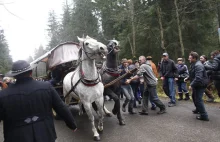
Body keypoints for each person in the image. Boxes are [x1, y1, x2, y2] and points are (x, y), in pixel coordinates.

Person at [0, 60, 77, 142]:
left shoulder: (3, 95)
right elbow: (61, 107)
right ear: (31, 72)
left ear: (14, 76)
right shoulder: (46, 87)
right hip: (45, 135)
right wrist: (72, 124)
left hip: (16, 137)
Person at [185, 52, 209, 121]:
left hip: (200, 84)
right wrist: (188, 78)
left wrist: (191, 85)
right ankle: (198, 109)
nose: (188, 59)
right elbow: (193, 74)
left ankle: (204, 116)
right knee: (194, 97)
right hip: (197, 84)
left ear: (194, 58)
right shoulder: (193, 64)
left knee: (198, 100)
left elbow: (198, 78)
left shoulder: (198, 65)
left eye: (190, 58)